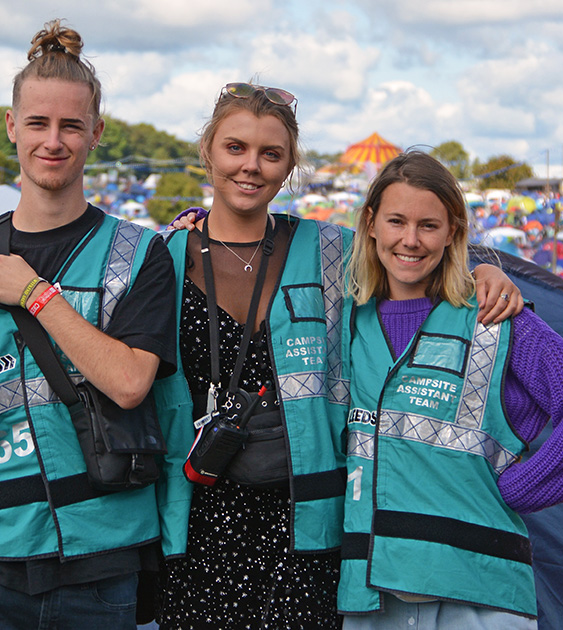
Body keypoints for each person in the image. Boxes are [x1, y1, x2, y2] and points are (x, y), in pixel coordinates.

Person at [156, 85, 524, 629]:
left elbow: (411, 265)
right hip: (197, 519)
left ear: (289, 166)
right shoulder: (158, 257)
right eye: (236, 148)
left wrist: (484, 274)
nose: (251, 166)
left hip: (311, 527)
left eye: (271, 154)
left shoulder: (332, 250)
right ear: (208, 150)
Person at [0, 19, 188, 629]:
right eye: (38, 123)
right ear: (11, 127)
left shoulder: (138, 254)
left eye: (71, 125)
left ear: (96, 133)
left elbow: (131, 383)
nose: (54, 141)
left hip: (103, 562)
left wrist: (35, 295)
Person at [338, 150, 563, 629]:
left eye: (429, 225)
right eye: (396, 221)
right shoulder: (350, 316)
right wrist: (201, 223)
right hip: (371, 594)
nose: (410, 240)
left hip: (476, 591)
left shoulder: (492, 316)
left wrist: (510, 491)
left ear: (453, 231)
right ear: (370, 224)